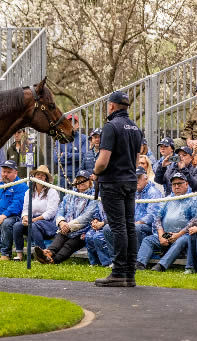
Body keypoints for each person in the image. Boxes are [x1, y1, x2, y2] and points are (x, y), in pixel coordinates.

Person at [92, 90, 143, 287]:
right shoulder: (136, 128)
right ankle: (129, 273)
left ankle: (119, 271)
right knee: (129, 226)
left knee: (118, 227)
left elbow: (103, 161)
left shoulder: (111, 126)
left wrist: (95, 171)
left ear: (112, 106)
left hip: (112, 182)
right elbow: (137, 160)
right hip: (130, 180)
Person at [136, 172, 197, 272]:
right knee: (149, 240)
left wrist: (178, 234)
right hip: (167, 234)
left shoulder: (194, 199)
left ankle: (161, 266)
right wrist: (161, 235)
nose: (177, 186)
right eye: (174, 184)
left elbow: (195, 221)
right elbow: (157, 217)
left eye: (180, 183)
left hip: (183, 234)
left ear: (186, 184)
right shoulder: (168, 199)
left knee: (181, 240)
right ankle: (140, 263)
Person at [34, 170, 99, 265]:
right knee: (59, 239)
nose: (80, 183)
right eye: (78, 180)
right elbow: (60, 210)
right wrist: (62, 222)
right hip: (66, 228)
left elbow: (87, 216)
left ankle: (52, 261)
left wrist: (69, 226)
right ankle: (48, 253)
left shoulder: (94, 196)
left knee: (69, 245)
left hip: (83, 230)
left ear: (90, 182)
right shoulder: (69, 196)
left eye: (84, 180)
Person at [12, 165, 59, 261]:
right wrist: (25, 217)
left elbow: (51, 212)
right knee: (17, 225)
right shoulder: (29, 192)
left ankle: (41, 255)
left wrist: (34, 220)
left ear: (46, 178)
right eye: (38, 174)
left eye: (43, 175)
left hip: (48, 223)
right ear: (34, 176)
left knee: (34, 225)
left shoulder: (52, 191)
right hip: (32, 220)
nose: (40, 177)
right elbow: (25, 208)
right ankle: (19, 254)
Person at [54, 113, 88, 190]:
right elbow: (56, 159)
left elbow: (83, 156)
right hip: (63, 178)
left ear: (78, 125)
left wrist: (66, 155)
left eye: (74, 122)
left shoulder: (84, 139)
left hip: (79, 178)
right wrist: (75, 157)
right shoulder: (59, 139)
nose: (71, 125)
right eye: (69, 122)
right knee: (63, 201)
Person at [134, 166, 163, 248]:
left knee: (135, 228)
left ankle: (136, 257)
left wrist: (136, 223)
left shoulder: (153, 192)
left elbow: (152, 216)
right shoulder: (134, 193)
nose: (136, 181)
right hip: (136, 225)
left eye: (138, 178)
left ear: (146, 178)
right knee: (110, 228)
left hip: (151, 227)